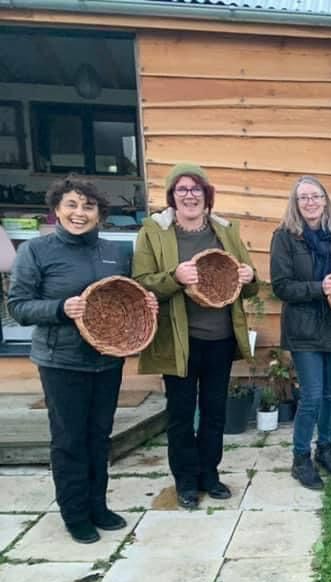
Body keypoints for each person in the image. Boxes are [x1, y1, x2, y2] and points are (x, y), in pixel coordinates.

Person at [7, 175, 158, 543]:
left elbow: (124, 298)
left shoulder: (112, 251)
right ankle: (75, 514)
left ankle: (98, 506)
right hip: (61, 362)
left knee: (98, 435)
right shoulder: (36, 252)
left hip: (107, 360)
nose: (80, 213)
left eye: (88, 206)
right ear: (57, 210)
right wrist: (61, 308)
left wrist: (146, 302)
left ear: (99, 213)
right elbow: (18, 307)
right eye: (71, 205)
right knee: (70, 439)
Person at [133, 163, 259, 510]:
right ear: (172, 196)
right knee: (181, 413)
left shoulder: (225, 230)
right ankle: (185, 481)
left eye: (196, 189)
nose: (189, 195)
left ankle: (209, 475)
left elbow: (247, 287)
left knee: (215, 411)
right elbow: (142, 281)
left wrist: (250, 276)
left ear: (207, 195)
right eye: (181, 189)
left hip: (219, 339)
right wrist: (174, 277)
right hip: (179, 341)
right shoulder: (154, 231)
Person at [270, 177, 331, 490]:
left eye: (315, 196)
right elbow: (281, 286)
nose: (309, 202)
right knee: (313, 396)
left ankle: (326, 450)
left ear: (325, 200)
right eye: (303, 197)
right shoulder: (284, 237)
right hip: (305, 329)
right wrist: (319, 288)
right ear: (295, 203)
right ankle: (300, 458)